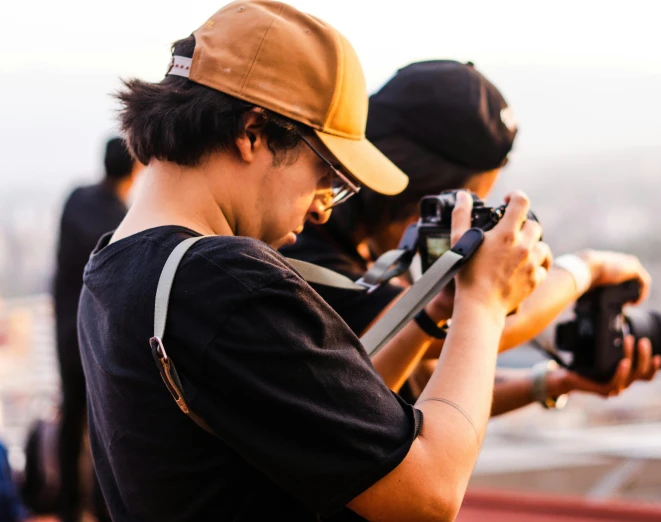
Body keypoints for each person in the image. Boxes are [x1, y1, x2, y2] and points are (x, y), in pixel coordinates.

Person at [77, 2, 551, 521]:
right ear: (253, 130)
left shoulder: (116, 266)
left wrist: (429, 310)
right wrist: (484, 303)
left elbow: (329, 417)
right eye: (327, 171)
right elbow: (427, 493)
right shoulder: (225, 282)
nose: (326, 205)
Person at [281, 60, 661, 413]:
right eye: (460, 205)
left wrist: (550, 383)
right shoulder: (304, 252)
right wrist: (585, 269)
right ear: (426, 189)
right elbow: (478, 326)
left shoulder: (367, 252)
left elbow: (428, 391)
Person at [52, 136, 142, 522]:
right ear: (136, 169)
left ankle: (68, 509)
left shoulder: (76, 198)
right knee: (105, 429)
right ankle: (103, 513)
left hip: (64, 333)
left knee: (71, 423)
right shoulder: (123, 222)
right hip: (96, 336)